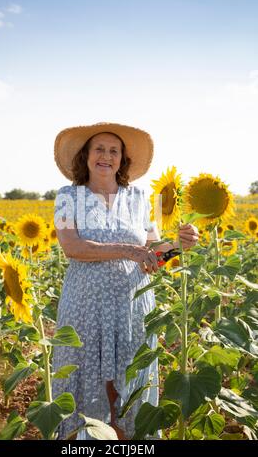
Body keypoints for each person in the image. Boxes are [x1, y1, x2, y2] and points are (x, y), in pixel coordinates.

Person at [52, 122, 198, 440]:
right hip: (85, 307)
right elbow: (72, 247)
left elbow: (154, 254)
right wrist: (130, 250)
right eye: (99, 149)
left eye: (114, 151)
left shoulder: (141, 199)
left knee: (128, 387)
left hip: (132, 308)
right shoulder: (66, 197)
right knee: (89, 386)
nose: (107, 156)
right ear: (86, 156)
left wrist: (178, 245)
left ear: (122, 159)